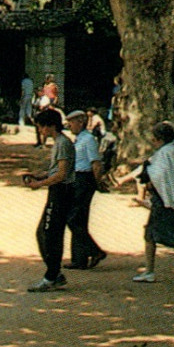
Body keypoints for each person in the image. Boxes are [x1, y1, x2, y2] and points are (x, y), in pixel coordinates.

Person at [114, 122, 174, 283]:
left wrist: (148, 181)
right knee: (154, 235)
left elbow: (155, 173)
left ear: (159, 139)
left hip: (165, 201)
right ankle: (150, 270)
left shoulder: (164, 154)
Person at [22, 108, 75, 293]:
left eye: (41, 127)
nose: (41, 131)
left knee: (50, 233)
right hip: (57, 190)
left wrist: (40, 184)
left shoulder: (62, 144)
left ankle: (51, 276)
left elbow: (61, 174)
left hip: (62, 191)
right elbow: (55, 170)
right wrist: (38, 176)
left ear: (50, 126)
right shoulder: (59, 143)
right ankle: (54, 273)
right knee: (44, 232)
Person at [65, 109, 107, 270]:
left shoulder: (88, 140)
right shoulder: (78, 139)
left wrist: (96, 183)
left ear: (80, 122)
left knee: (74, 218)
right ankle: (79, 258)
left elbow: (96, 163)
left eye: (72, 122)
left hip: (84, 179)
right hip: (77, 178)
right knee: (79, 220)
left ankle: (94, 251)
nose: (70, 126)